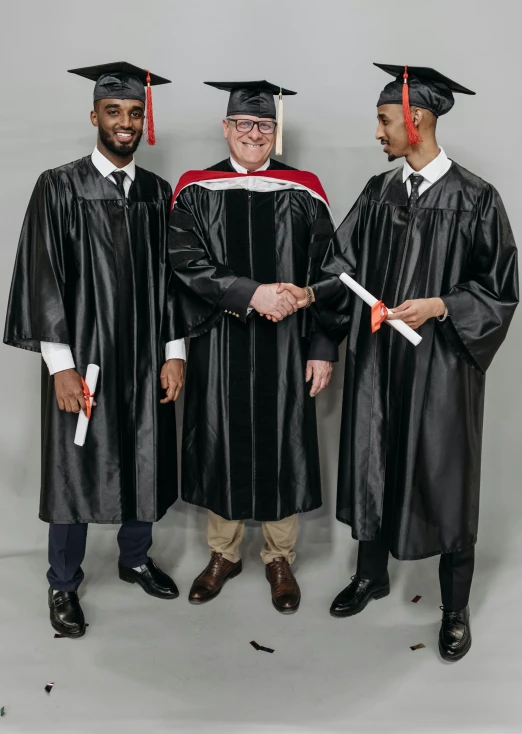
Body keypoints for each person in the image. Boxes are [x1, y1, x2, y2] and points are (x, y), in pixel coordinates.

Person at [279, 64, 518, 660]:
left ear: (416, 120)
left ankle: (455, 607)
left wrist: (441, 304)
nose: (378, 133)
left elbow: (501, 289)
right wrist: (312, 295)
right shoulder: (379, 192)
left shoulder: (476, 198)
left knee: (445, 475)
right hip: (379, 363)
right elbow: (342, 266)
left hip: (442, 368)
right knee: (374, 459)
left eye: (385, 121)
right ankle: (370, 574)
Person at [4, 61, 186, 638]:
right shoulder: (59, 186)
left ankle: (134, 559)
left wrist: (174, 350)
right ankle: (63, 581)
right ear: (95, 117)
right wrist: (58, 365)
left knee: (144, 454)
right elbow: (42, 275)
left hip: (143, 355)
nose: (126, 123)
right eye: (115, 112)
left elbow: (174, 281)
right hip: (82, 357)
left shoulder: (159, 194)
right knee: (75, 467)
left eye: (135, 113)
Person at [168, 80, 337, 613]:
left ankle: (278, 556)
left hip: (288, 346)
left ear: (275, 132)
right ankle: (224, 553)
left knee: (283, 440)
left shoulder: (305, 190)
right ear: (226, 129)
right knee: (222, 440)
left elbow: (331, 272)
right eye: (244, 124)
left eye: (264, 126)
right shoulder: (195, 190)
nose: (254, 134)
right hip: (221, 342)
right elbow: (184, 263)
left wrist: (324, 346)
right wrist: (251, 292)